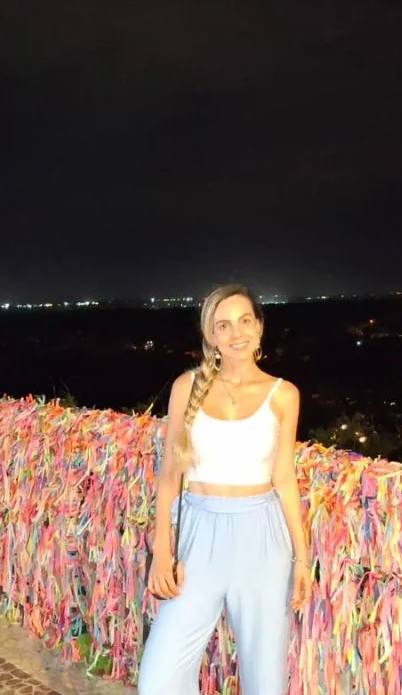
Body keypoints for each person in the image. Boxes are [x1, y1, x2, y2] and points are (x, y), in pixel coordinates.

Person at [138, 283, 311, 695]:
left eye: (245, 321)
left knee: (264, 682)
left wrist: (302, 560)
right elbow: (170, 476)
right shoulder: (187, 388)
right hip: (199, 538)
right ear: (210, 335)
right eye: (224, 325)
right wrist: (162, 549)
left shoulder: (284, 394)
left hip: (263, 540)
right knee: (159, 680)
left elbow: (284, 478)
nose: (237, 333)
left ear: (259, 327)